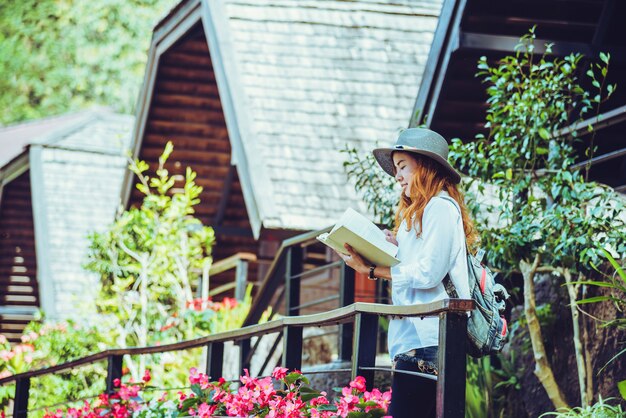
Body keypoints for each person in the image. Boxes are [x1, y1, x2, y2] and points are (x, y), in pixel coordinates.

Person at [336, 128, 478, 418]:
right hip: (413, 337)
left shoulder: (440, 208)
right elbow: (417, 266)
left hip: (431, 339)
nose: (397, 176)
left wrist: (373, 269)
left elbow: (428, 273)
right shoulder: (418, 213)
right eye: (396, 169)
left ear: (425, 167)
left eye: (403, 167)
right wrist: (392, 248)